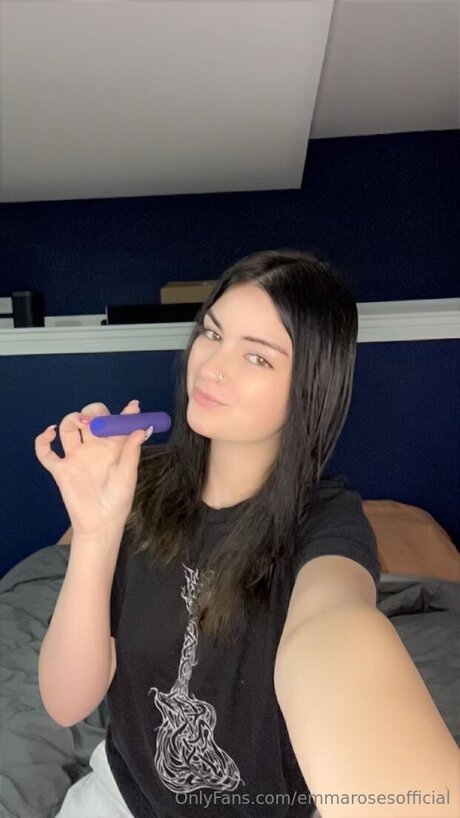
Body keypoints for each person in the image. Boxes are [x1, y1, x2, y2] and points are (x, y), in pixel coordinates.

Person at [35, 249, 381, 818]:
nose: (213, 366)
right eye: (212, 334)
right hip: (123, 798)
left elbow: (339, 618)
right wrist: (96, 532)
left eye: (257, 357)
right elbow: (66, 703)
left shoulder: (327, 521)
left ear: (310, 386)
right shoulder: (135, 483)